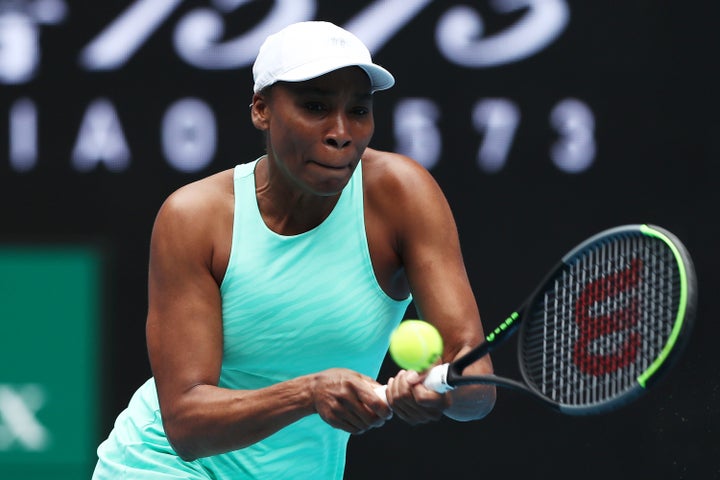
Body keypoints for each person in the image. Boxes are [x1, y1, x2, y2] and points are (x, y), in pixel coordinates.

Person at [92, 20, 495, 479]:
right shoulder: (194, 217)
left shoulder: (404, 195)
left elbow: (476, 381)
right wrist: (308, 393)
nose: (341, 132)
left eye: (358, 110)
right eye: (316, 106)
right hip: (160, 466)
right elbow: (186, 426)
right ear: (261, 109)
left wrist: (440, 391)